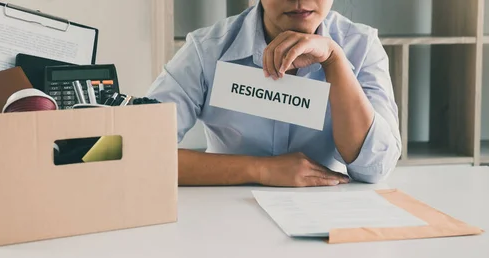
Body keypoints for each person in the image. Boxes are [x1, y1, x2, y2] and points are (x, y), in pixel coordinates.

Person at [146, 0, 401, 187]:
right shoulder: (206, 50)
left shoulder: (362, 45)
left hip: (328, 209)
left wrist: (334, 61)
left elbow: (375, 167)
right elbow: (142, 153)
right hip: (226, 210)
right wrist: (259, 170)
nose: (300, 1)